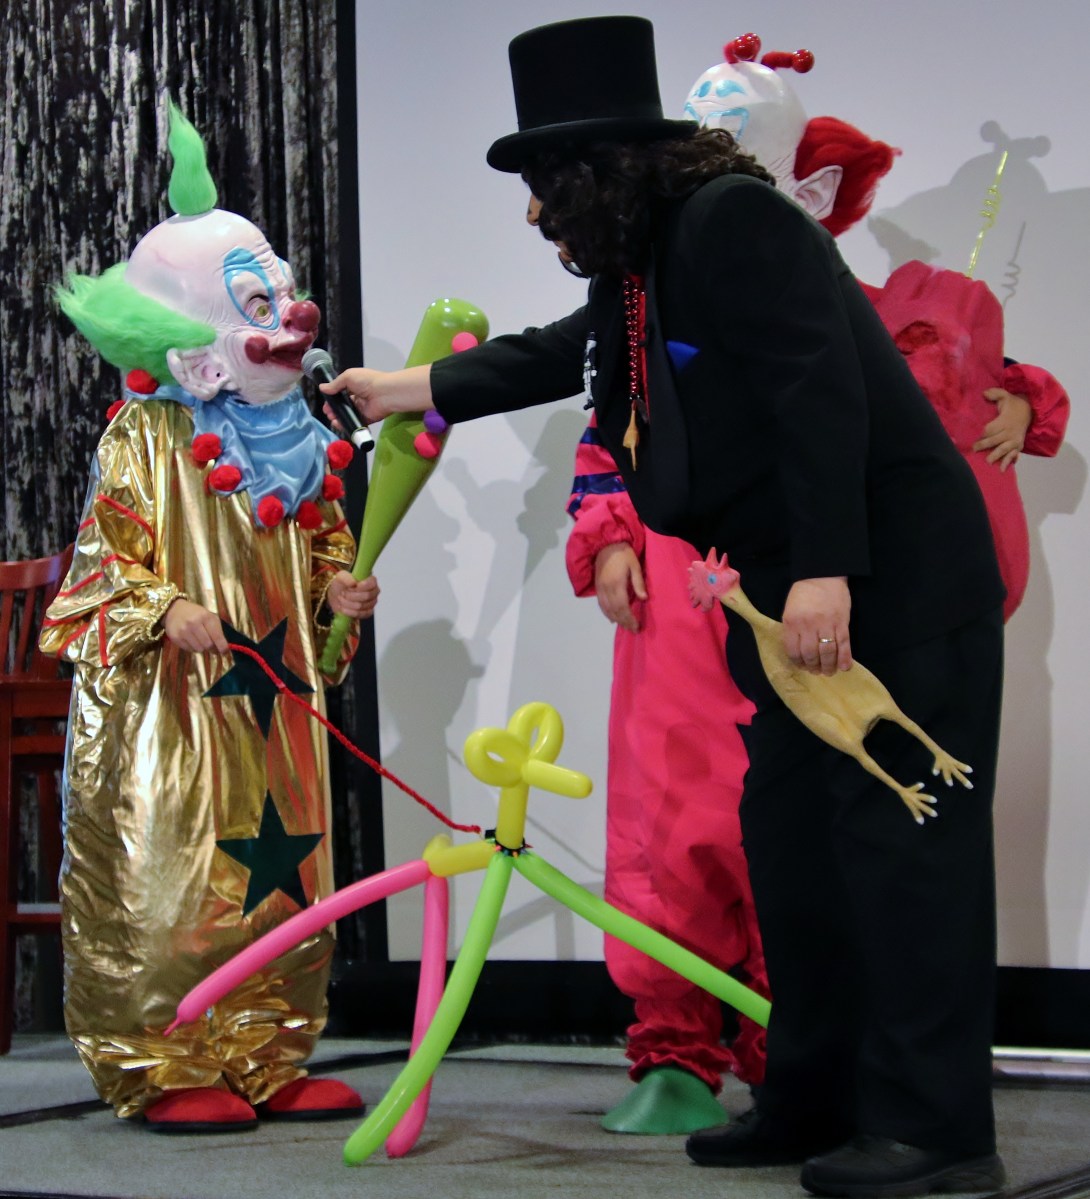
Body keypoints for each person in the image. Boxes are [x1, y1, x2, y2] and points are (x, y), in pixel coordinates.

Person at [323, 16, 1008, 1197]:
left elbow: (819, 388)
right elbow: (566, 351)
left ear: (600, 172)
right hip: (785, 589)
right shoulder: (646, 265)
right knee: (794, 848)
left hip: (887, 584)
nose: (534, 215)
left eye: (545, 187)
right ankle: (814, 1097)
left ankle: (938, 1132)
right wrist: (409, 386)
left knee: (902, 854)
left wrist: (827, 571)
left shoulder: (735, 220)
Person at [40, 103, 378, 1133]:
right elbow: (98, 566)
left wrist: (338, 591)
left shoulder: (303, 439)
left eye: (280, 286)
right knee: (170, 867)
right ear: (193, 337)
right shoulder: (144, 434)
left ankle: (267, 1046)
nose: (288, 312)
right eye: (255, 298)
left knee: (284, 868)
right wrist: (165, 601)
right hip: (171, 702)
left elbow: (324, 543)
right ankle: (166, 1053)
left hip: (274, 703)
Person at [683, 37, 1070, 622]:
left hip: (894, 576)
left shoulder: (877, 313)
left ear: (811, 195)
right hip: (747, 571)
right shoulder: (683, 313)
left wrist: (1018, 403)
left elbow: (961, 378)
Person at [565, 411, 767, 1134]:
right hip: (674, 599)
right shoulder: (641, 366)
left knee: (792, 838)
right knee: (666, 824)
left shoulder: (819, 346)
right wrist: (612, 535)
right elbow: (609, 446)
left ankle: (794, 1050)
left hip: (789, 574)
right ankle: (675, 1053)